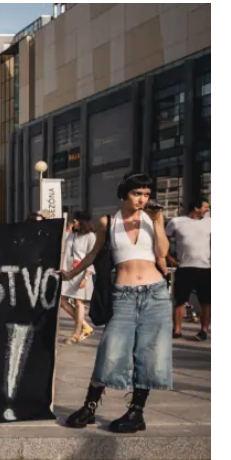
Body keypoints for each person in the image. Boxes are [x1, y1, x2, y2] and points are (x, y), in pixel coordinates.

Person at [62, 174, 172, 431]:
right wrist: (70, 273)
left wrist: (157, 222)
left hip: (155, 294)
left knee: (149, 353)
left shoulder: (152, 219)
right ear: (124, 193)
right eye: (137, 193)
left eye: (146, 194)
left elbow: (162, 253)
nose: (142, 199)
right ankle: (89, 407)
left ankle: (136, 413)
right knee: (110, 350)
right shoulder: (108, 222)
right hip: (123, 295)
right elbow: (94, 253)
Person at [167, 198, 211, 340]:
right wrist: (169, 257)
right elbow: (163, 239)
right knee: (180, 301)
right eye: (206, 207)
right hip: (184, 268)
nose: (208, 210)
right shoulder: (176, 222)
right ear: (196, 208)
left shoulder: (210, 222)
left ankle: (204, 331)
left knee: (206, 302)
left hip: (205, 268)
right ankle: (177, 330)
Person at [60, 214, 96, 342]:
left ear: (82, 222)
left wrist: (86, 277)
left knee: (78, 302)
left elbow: (92, 257)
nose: (73, 223)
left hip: (82, 273)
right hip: (68, 272)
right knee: (62, 301)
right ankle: (86, 327)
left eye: (75, 221)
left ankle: (76, 332)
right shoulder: (71, 235)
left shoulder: (91, 236)